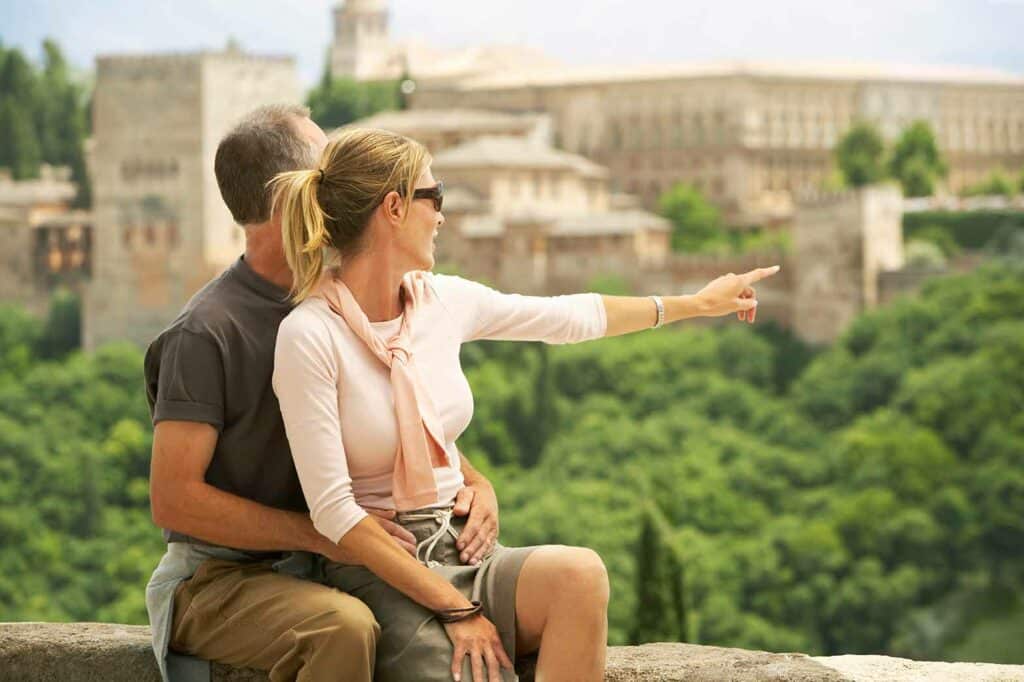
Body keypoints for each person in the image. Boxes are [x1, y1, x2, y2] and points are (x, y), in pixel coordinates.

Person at [269, 127, 779, 682]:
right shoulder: (309, 335)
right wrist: (454, 608)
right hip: (379, 570)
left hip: (462, 546)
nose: (442, 215)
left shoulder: (441, 301)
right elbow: (334, 513)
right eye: (434, 197)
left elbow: (567, 317)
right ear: (393, 208)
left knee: (581, 575)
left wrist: (697, 304)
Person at [143, 105, 505, 682]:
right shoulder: (206, 332)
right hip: (220, 578)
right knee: (344, 627)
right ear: (295, 197)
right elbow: (174, 500)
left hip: (331, 560)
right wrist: (323, 535)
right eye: (329, 171)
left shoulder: (345, 302)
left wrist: (473, 481)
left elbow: (387, 416)